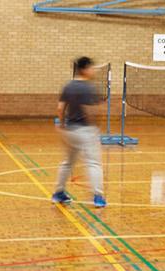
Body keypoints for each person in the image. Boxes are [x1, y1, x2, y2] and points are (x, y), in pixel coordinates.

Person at [52, 56, 108, 208]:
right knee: (94, 163)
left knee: (67, 163)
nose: (93, 70)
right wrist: (94, 127)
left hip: (70, 130)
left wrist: (63, 125)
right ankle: (98, 197)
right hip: (85, 130)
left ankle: (58, 193)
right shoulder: (88, 88)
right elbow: (89, 111)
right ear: (84, 69)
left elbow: (60, 108)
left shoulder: (68, 86)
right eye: (91, 67)